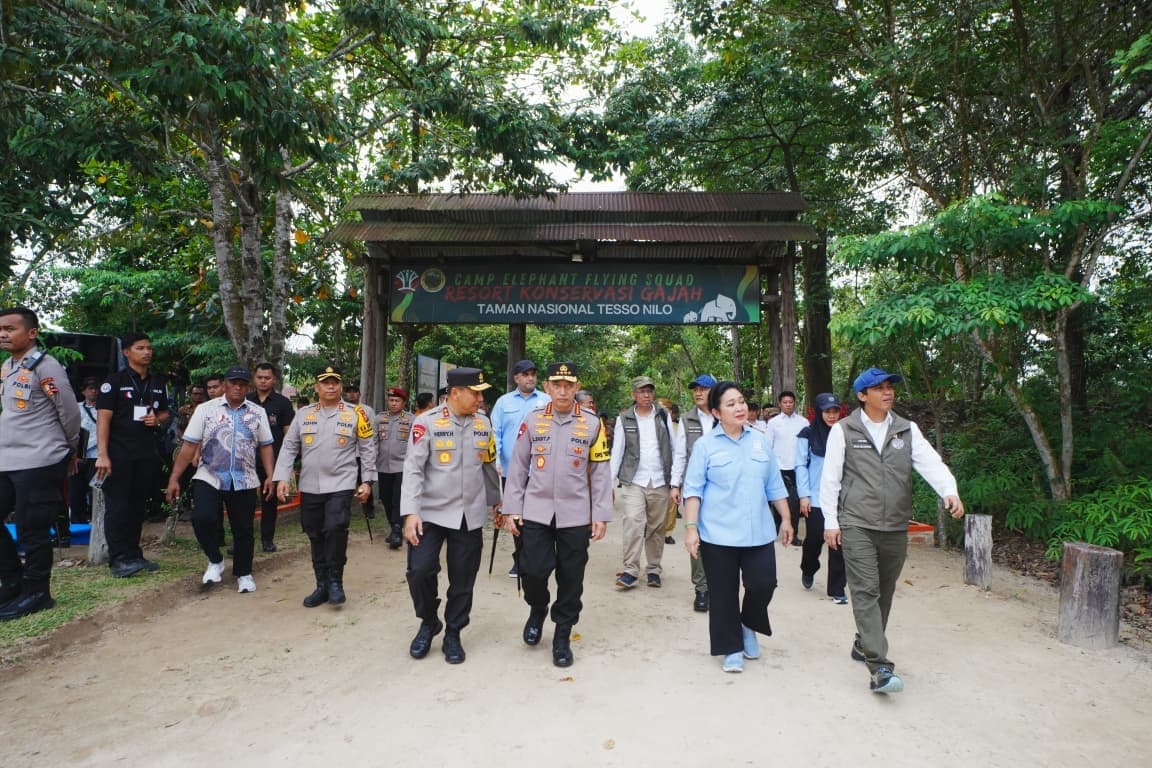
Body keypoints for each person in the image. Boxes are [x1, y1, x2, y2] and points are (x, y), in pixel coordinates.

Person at [820, 368, 965, 695]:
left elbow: (931, 463)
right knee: (865, 590)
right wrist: (831, 522)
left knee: (884, 591)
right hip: (856, 522)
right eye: (879, 388)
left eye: (889, 387)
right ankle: (879, 667)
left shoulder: (906, 429)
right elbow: (830, 479)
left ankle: (863, 643)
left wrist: (949, 491)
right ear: (862, 395)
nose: (887, 392)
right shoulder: (844, 430)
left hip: (895, 525)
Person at [502, 363, 612, 667]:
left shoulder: (592, 424)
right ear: (547, 387)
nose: (563, 391)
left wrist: (600, 514)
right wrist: (511, 507)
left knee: (571, 577)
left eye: (568, 385)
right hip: (536, 511)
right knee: (532, 570)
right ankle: (537, 608)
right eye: (557, 385)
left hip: (575, 514)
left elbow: (600, 472)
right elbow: (518, 466)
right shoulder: (533, 420)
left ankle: (562, 634)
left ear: (577, 387)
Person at [682, 381, 793, 673]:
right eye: (731, 404)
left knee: (764, 584)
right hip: (718, 534)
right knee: (723, 593)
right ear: (717, 413)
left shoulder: (760, 441)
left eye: (741, 401)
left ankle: (748, 624)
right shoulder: (705, 446)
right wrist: (691, 528)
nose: (740, 407)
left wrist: (786, 518)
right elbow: (693, 490)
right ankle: (731, 647)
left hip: (758, 532)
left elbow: (774, 484)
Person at [400, 367, 500, 665]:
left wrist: (497, 502)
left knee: (463, 578)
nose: (480, 399)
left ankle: (453, 632)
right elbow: (413, 469)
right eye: (476, 393)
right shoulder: (426, 422)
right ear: (455, 393)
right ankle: (429, 621)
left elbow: (488, 464)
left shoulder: (483, 423)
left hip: (469, 514)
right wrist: (410, 513)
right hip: (429, 513)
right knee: (419, 571)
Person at [0, 306, 82, 620]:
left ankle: (37, 593)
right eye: (0, 329)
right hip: (8, 459)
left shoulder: (46, 367)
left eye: (10, 329)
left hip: (40, 458)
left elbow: (69, 411)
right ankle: (12, 583)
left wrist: (69, 448)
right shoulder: (8, 365)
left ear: (32, 333)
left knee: (31, 528)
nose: (3, 334)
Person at [273, 365, 375, 608]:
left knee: (335, 527)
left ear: (340, 386)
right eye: (325, 383)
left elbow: (368, 448)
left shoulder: (356, 413)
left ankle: (336, 582)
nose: (331, 386)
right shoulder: (303, 414)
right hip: (310, 485)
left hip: (341, 482)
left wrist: (367, 481)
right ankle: (322, 585)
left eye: (335, 382)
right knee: (315, 532)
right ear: (316, 387)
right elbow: (289, 447)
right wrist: (282, 478)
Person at [166, 366, 274, 593]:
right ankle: (215, 560)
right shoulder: (206, 410)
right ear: (225, 384)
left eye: (242, 384)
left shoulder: (257, 412)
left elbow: (265, 446)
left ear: (248, 387)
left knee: (243, 529)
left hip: (244, 478)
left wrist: (271, 476)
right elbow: (189, 445)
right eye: (233, 383)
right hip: (209, 475)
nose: (238, 387)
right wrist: (174, 478)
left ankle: (244, 573)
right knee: (202, 518)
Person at [95, 332, 170, 578]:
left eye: (149, 347)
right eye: (140, 348)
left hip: (146, 453)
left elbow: (165, 413)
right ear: (126, 352)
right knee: (118, 507)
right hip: (118, 454)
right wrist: (102, 455)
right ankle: (118, 559)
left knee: (138, 506)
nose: (147, 352)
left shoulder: (158, 382)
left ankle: (134, 554)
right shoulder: (114, 382)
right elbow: (103, 419)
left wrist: (157, 419)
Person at [610, 375, 675, 589]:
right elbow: (617, 451)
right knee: (632, 523)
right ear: (634, 394)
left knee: (656, 527)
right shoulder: (624, 418)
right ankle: (630, 570)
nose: (646, 395)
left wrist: (676, 481)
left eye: (649, 391)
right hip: (634, 480)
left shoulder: (663, 415)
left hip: (660, 479)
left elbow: (674, 447)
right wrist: (609, 484)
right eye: (642, 391)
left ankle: (654, 569)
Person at [489, 359, 550, 578]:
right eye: (526, 374)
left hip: (540, 471)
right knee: (515, 516)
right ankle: (520, 558)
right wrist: (496, 459)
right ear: (516, 378)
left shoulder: (547, 401)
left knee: (536, 517)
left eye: (533, 374)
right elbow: (495, 433)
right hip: (511, 471)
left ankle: (533, 558)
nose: (531, 378)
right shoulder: (503, 403)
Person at [670, 373, 717, 612]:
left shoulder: (724, 416)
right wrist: (675, 484)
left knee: (719, 536)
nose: (698, 393)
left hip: (723, 487)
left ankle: (719, 585)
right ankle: (702, 588)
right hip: (694, 487)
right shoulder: (687, 419)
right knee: (694, 533)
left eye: (703, 389)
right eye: (695, 389)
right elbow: (680, 454)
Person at [795, 393, 847, 604]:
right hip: (816, 497)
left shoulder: (845, 433)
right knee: (815, 539)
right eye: (827, 411)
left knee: (838, 542)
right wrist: (804, 495)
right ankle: (808, 568)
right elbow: (800, 465)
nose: (832, 416)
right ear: (818, 412)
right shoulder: (807, 434)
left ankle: (837, 589)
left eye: (835, 411)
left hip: (840, 497)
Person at [247, 362, 295, 552]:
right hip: (247, 460)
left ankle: (267, 539)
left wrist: (286, 462)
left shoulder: (282, 403)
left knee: (269, 501)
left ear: (274, 379)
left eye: (267, 378)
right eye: (259, 377)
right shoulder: (245, 401)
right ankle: (242, 540)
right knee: (244, 503)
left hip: (272, 461)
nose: (263, 381)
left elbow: (289, 435)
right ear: (254, 379)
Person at [375, 387, 414, 549]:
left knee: (398, 499)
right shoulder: (379, 419)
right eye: (391, 400)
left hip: (402, 467)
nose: (393, 403)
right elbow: (373, 442)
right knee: (386, 498)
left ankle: (397, 531)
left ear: (403, 403)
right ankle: (393, 527)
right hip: (383, 466)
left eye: (397, 401)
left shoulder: (411, 420)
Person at [766, 390, 806, 544]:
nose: (788, 405)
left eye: (790, 402)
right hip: (779, 468)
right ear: (780, 404)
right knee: (779, 500)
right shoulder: (773, 423)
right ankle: (776, 530)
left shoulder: (803, 422)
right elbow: (768, 446)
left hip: (797, 468)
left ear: (794, 403)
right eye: (785, 402)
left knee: (794, 503)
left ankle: (793, 534)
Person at [68, 376, 102, 526]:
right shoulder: (76, 408)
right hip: (77, 456)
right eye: (90, 388)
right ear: (83, 391)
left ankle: (97, 523)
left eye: (96, 388)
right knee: (75, 492)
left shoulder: (104, 409)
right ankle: (77, 523)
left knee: (96, 491)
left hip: (97, 456)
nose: (93, 391)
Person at [343, 383, 376, 518]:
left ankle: (369, 509)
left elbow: (372, 432)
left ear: (359, 394)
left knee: (364, 481)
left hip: (362, 453)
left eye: (354, 391)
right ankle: (344, 509)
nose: (351, 394)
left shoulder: (367, 410)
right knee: (346, 482)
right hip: (346, 453)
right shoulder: (342, 410)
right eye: (349, 392)